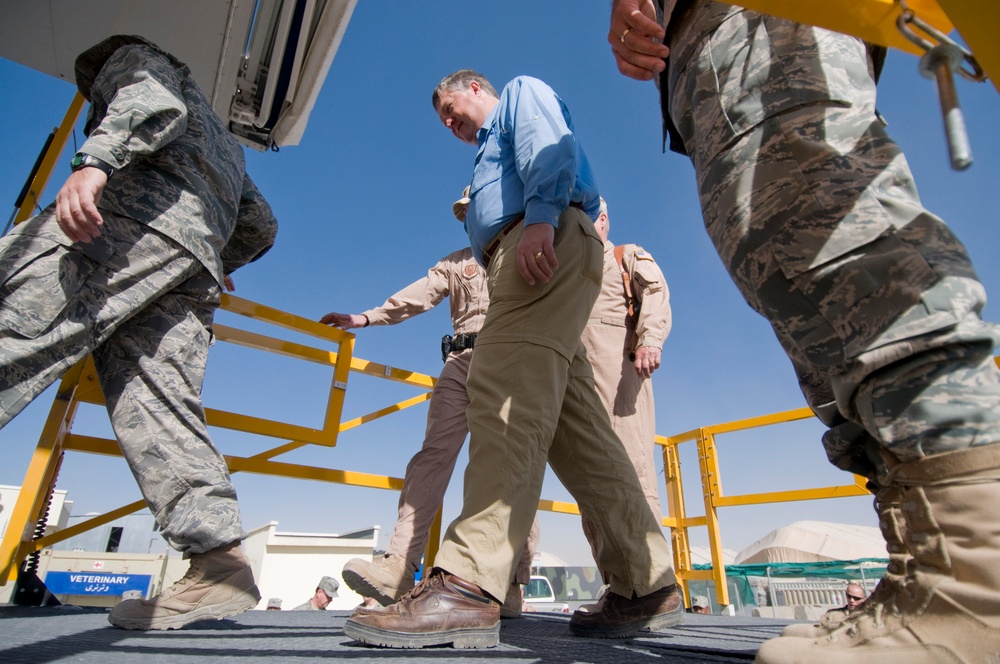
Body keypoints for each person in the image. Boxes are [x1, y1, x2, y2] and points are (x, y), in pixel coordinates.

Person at [607, 2, 1000, 662]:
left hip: (758, 16)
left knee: (827, 226)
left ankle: (976, 579)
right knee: (793, 271)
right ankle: (924, 571)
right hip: (703, 45)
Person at [343, 69, 684, 650]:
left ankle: (470, 583)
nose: (451, 124)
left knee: (502, 405)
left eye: (452, 110)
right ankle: (645, 582)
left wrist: (543, 219)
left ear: (476, 88)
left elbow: (550, 147)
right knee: (578, 434)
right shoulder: (485, 148)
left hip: (535, 243)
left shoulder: (519, 96)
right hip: (543, 250)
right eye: (444, 122)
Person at [0, 35, 277, 630]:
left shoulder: (139, 60)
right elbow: (259, 223)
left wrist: (93, 163)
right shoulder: (226, 146)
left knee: (12, 329)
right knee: (155, 403)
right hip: (190, 262)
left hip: (123, 223)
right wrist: (217, 259)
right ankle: (218, 563)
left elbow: (148, 97)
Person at [321, 194, 538, 618]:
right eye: (467, 215)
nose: (472, 219)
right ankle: (399, 565)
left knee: (509, 465)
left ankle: (511, 581)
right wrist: (366, 318)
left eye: (479, 210)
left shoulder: (524, 245)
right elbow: (419, 295)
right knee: (431, 458)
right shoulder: (456, 263)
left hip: (510, 361)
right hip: (459, 363)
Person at [581, 196, 671, 582]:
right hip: (577, 378)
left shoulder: (624, 255)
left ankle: (652, 581)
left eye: (586, 219)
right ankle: (619, 586)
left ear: (602, 219)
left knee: (633, 472)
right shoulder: (572, 269)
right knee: (590, 481)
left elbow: (655, 291)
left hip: (620, 372)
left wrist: (650, 338)